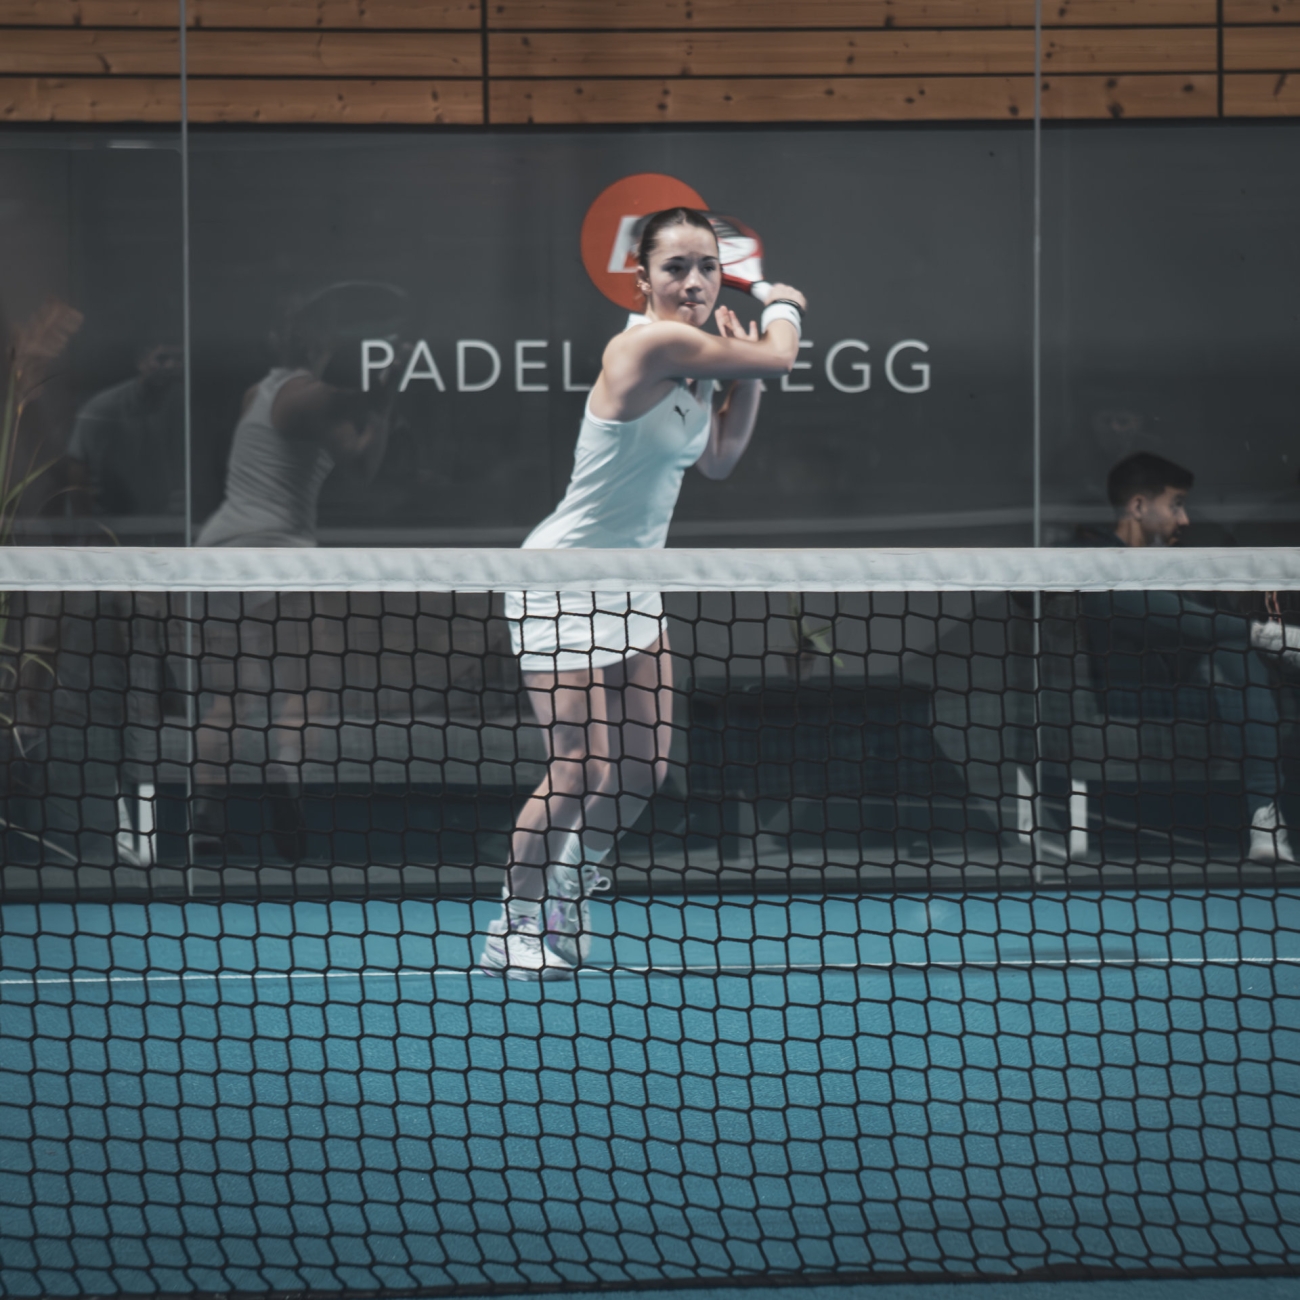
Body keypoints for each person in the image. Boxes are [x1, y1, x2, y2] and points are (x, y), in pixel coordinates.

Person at [480, 206, 807, 979]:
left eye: (707, 267)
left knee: (640, 770)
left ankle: (569, 882)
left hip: (635, 581)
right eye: (676, 267)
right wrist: (782, 306)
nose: (695, 281)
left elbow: (719, 458)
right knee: (574, 768)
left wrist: (740, 373)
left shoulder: (697, 359)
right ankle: (512, 924)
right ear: (644, 278)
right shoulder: (648, 344)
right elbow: (781, 355)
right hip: (562, 578)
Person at [191, 283, 408, 854]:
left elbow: (361, 461)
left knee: (232, 695)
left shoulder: (263, 394)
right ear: (316, 341)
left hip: (217, 553)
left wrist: (383, 405)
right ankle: (285, 777)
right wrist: (389, 381)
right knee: (312, 676)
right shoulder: (306, 394)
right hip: (271, 551)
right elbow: (354, 407)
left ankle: (207, 816)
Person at [1084, 452, 1294, 863]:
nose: (1184, 519)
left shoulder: (1174, 559)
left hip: (1196, 692)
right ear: (1139, 506)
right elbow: (1167, 615)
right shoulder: (1092, 556)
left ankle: (1265, 817)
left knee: (1236, 655)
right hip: (1128, 695)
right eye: (1176, 505)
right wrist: (1264, 635)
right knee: (1232, 644)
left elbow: (1204, 627)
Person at [66, 339, 185, 519]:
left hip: (163, 518)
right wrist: (84, 525)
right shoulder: (103, 408)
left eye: (179, 359)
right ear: (141, 362)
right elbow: (77, 466)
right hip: (107, 521)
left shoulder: (187, 408)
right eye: (162, 358)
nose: (171, 366)